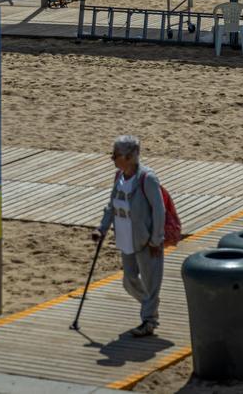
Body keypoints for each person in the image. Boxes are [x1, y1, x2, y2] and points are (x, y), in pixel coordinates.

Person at [91, 135, 165, 337]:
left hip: (146, 240)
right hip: (126, 238)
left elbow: (159, 211)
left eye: (115, 155)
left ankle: (149, 320)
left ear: (130, 157)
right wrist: (102, 228)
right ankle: (150, 305)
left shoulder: (147, 179)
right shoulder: (119, 176)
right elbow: (112, 205)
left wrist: (156, 240)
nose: (112, 159)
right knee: (129, 280)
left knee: (151, 282)